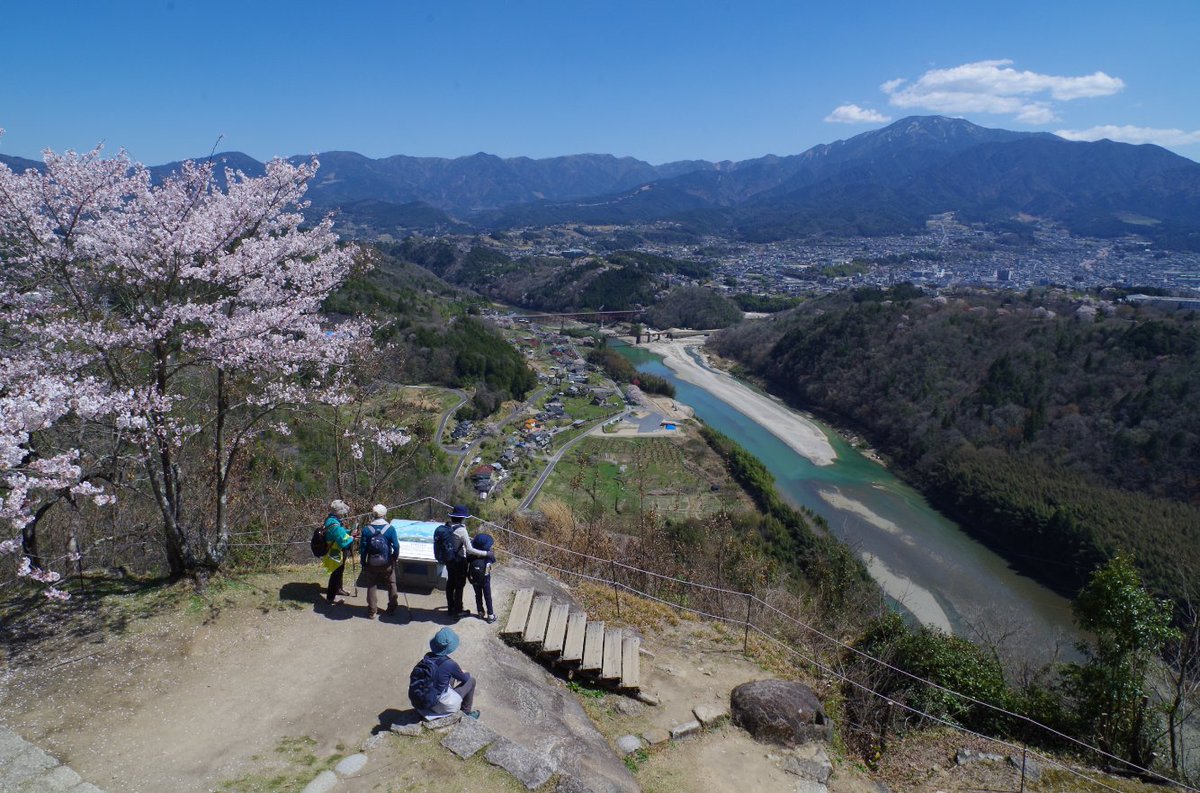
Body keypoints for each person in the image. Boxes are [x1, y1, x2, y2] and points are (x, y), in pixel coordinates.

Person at [408, 627, 479, 719]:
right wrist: (464, 672)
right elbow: (465, 678)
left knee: (449, 676)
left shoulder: (426, 659)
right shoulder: (450, 664)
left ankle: (445, 697)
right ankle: (465, 714)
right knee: (471, 681)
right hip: (436, 704)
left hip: (421, 701)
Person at [438, 504, 487, 618]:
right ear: (462, 518)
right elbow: (469, 549)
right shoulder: (461, 530)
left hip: (449, 560)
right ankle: (458, 610)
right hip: (459, 561)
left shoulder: (447, 526)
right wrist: (485, 553)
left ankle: (451, 608)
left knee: (450, 583)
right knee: (459, 585)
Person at [360, 504, 399, 619]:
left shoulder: (367, 530)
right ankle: (392, 608)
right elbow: (396, 546)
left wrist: (363, 562)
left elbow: (363, 549)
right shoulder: (390, 529)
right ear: (385, 514)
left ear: (373, 515)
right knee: (391, 583)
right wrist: (394, 557)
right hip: (387, 562)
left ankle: (372, 611)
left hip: (372, 562)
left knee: (371, 584)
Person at [324, 500, 357, 605]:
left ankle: (338, 589)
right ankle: (331, 597)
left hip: (335, 550)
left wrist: (349, 532)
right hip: (335, 552)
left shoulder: (331, 520)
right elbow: (343, 541)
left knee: (339, 571)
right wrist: (352, 537)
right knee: (336, 574)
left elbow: (340, 533)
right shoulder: (334, 524)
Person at [467, 533, 496, 623]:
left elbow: (467, 560)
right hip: (485, 579)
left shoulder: (472, 555)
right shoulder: (488, 556)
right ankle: (490, 615)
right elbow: (493, 560)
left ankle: (480, 612)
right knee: (487, 596)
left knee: (478, 595)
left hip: (475, 578)